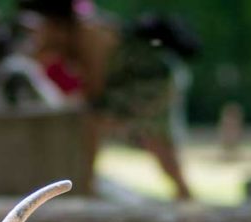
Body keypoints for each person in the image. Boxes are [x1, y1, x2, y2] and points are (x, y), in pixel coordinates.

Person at [19, 0, 198, 200]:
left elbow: (94, 91)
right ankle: (184, 196)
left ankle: (86, 188)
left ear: (52, 23)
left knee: (98, 123)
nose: (34, 33)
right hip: (146, 79)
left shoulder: (89, 33)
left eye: (37, 26)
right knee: (155, 137)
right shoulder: (72, 36)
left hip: (153, 78)